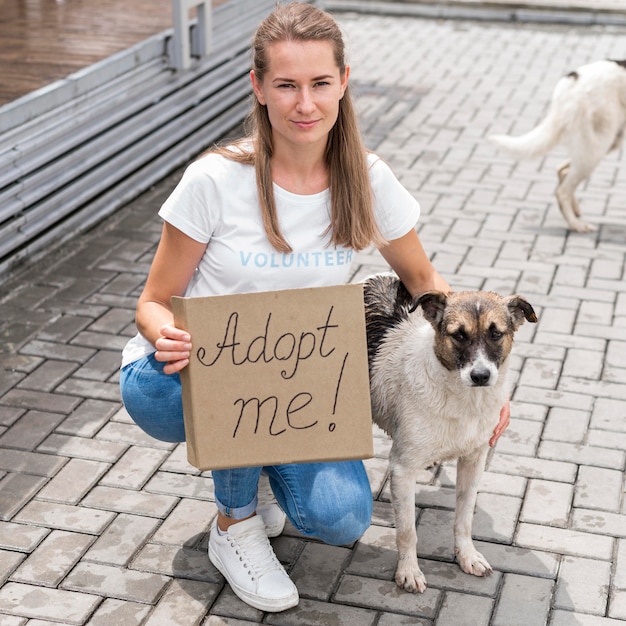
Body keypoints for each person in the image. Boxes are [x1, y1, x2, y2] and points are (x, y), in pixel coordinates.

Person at [119, 1, 509, 613]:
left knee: (342, 517)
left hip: (293, 388)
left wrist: (480, 381)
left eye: (320, 83)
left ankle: (263, 469)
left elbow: (428, 283)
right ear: (258, 87)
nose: (306, 103)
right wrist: (167, 334)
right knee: (217, 387)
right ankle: (234, 525)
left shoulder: (365, 177)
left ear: (343, 82)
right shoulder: (214, 180)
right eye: (287, 85)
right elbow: (150, 303)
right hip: (175, 378)